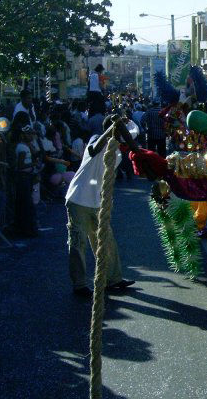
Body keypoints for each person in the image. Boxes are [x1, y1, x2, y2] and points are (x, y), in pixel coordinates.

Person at [65, 114, 135, 297]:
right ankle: (79, 284)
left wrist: (126, 122)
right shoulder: (96, 139)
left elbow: (135, 132)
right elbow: (95, 150)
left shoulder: (117, 153)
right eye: (120, 132)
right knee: (78, 242)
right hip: (78, 199)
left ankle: (113, 279)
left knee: (106, 241)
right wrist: (112, 129)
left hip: (97, 203)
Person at [13, 125, 38, 237]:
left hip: (27, 177)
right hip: (23, 177)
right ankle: (26, 230)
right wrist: (33, 164)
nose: (31, 136)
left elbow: (35, 152)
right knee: (26, 204)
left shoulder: (26, 146)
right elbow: (20, 166)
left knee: (27, 204)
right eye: (29, 134)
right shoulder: (22, 148)